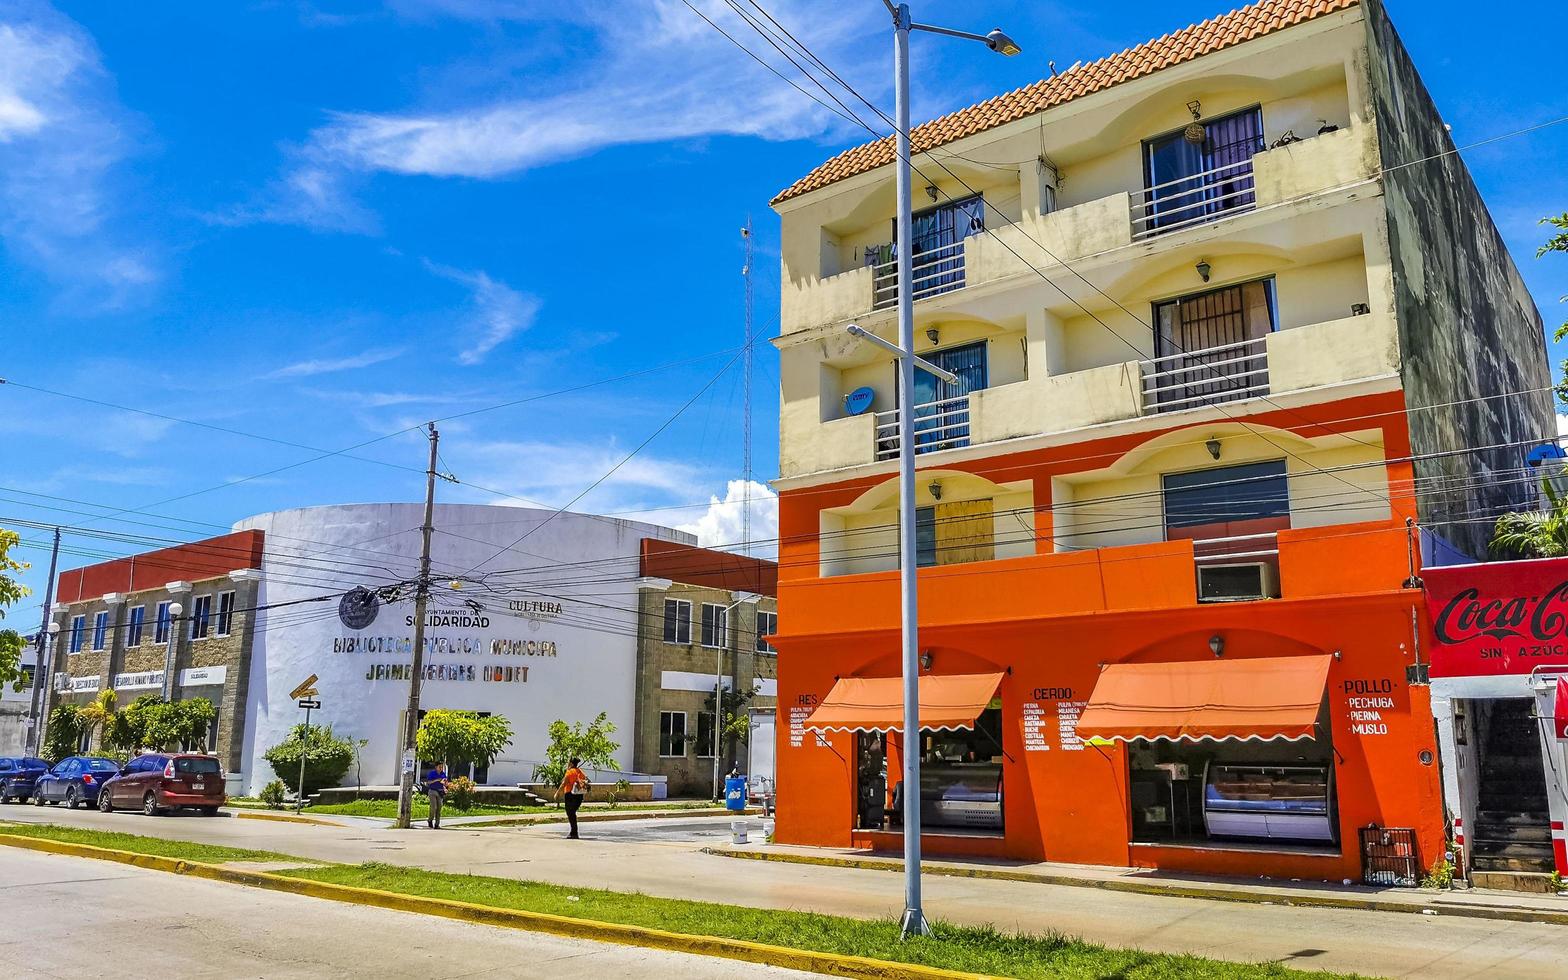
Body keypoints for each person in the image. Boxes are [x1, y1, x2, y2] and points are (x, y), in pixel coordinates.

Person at [558, 757, 588, 839]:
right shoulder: (579, 771)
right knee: (572, 813)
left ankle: (574, 832)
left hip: (570, 794)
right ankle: (574, 832)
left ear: (571, 763)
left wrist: (557, 793)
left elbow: (564, 783)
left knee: (570, 813)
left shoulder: (569, 772)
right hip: (579, 795)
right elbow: (585, 779)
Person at [425, 762, 449, 829]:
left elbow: (446, 783)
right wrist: (436, 780)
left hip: (440, 792)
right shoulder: (432, 773)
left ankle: (437, 824)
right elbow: (428, 782)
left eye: (442, 767)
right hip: (432, 791)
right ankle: (430, 820)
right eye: (439, 767)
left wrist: (445, 783)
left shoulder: (443, 774)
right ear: (436, 767)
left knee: (439, 808)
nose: (441, 768)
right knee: (433, 807)